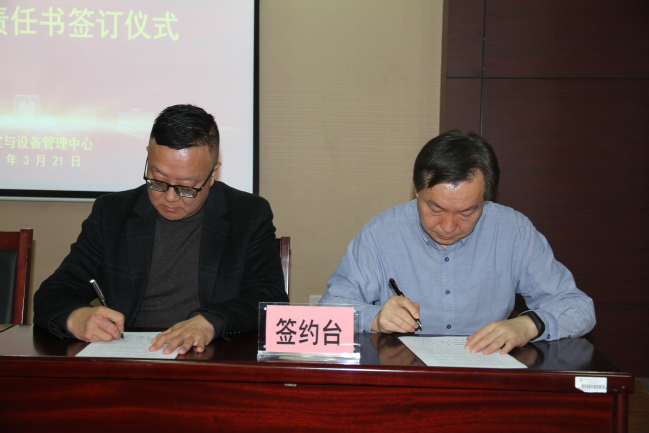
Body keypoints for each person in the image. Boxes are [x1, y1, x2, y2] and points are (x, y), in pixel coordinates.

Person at [34, 104, 288, 354]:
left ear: (213, 174)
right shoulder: (112, 213)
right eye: (158, 180)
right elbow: (54, 291)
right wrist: (76, 317)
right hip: (129, 357)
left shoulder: (248, 214)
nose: (169, 197)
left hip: (210, 357)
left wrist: (212, 321)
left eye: (186, 187)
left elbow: (270, 298)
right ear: (148, 156)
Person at [320, 130, 595, 355]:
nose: (449, 227)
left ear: (486, 200)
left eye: (466, 213)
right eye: (436, 209)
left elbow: (579, 308)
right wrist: (375, 318)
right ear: (416, 190)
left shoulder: (514, 232)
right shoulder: (381, 234)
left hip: (485, 376)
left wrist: (527, 325)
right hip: (406, 377)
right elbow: (330, 309)